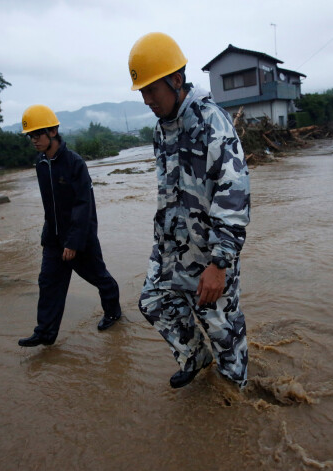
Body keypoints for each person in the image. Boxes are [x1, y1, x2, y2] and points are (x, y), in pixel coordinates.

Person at [129, 32, 251, 389]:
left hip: (210, 255)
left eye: (152, 90)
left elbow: (235, 194)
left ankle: (235, 395)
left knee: (223, 328)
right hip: (171, 250)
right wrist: (160, 246)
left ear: (176, 80)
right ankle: (196, 358)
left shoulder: (212, 123)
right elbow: (168, 193)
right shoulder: (161, 130)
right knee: (153, 302)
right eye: (142, 91)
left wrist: (219, 264)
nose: (146, 99)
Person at [18, 104, 122, 347]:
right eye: (30, 136)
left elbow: (83, 205)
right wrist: (49, 237)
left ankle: (113, 312)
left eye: (37, 134)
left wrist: (74, 242)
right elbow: (49, 206)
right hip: (53, 239)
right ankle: (45, 333)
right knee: (48, 283)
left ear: (53, 131)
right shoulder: (41, 163)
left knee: (99, 277)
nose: (34, 140)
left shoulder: (74, 163)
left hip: (80, 238)